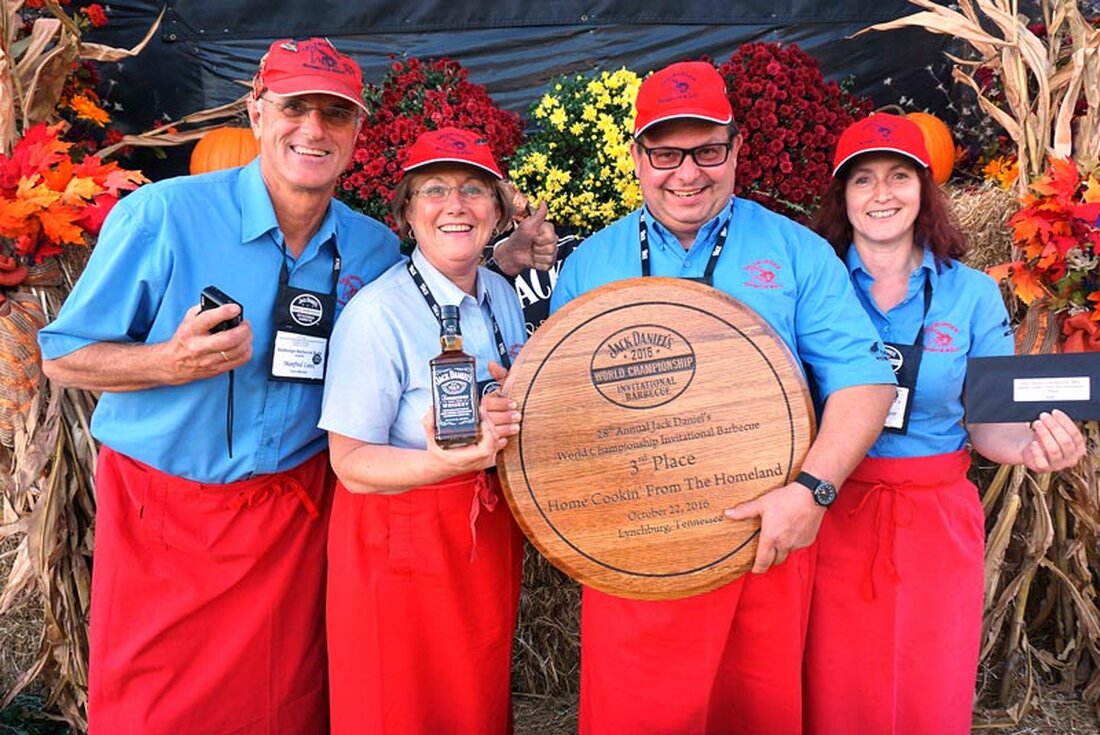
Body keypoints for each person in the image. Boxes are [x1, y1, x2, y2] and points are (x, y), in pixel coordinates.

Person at [35, 38, 401, 734]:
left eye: (334, 113)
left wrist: (498, 261)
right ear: (257, 112)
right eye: (294, 107)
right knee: (152, 712)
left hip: (290, 527)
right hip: (163, 523)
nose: (313, 128)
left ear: (357, 131)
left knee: (283, 707)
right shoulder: (163, 216)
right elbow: (64, 356)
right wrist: (166, 362)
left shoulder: (374, 249)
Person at [549, 60, 898, 734]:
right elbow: (561, 406)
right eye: (666, 153)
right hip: (635, 545)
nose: (687, 173)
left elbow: (865, 378)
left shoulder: (796, 252)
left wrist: (811, 493)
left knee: (753, 711)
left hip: (762, 537)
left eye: (708, 150)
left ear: (737, 150)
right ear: (637, 157)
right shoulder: (590, 264)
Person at [803, 112, 1087, 734]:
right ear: (841, 196)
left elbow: (991, 426)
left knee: (926, 685)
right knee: (835, 685)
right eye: (863, 179)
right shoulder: (812, 287)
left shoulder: (972, 295)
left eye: (899, 176)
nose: (881, 194)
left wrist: (1036, 446)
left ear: (925, 190)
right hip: (829, 511)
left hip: (935, 523)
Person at [319, 127, 528, 734]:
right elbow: (350, 464)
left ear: (498, 211)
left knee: (473, 695)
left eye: (474, 190)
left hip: (484, 528)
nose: (455, 205)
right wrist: (443, 462)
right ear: (408, 214)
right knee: (401, 704)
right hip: (400, 537)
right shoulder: (377, 314)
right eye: (434, 190)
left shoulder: (500, 294)